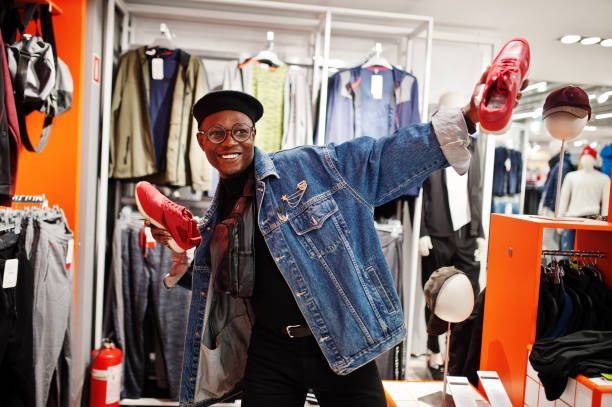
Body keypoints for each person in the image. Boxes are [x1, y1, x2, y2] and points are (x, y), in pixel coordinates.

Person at [146, 68, 527, 407]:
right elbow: (228, 282)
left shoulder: (310, 166)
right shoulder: (218, 211)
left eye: (240, 131)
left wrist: (468, 118)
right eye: (216, 133)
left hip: (341, 337)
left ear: (253, 134)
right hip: (271, 347)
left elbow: (381, 158)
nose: (229, 142)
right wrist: (187, 249)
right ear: (201, 142)